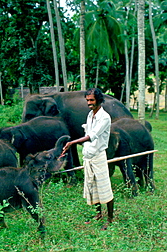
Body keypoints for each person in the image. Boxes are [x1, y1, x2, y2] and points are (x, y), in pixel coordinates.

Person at [61, 88, 114, 230]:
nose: (89, 103)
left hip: (99, 155)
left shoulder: (105, 117)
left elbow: (92, 135)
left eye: (91, 100)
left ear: (99, 100)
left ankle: (110, 218)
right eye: (87, 100)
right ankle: (98, 214)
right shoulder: (90, 115)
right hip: (88, 155)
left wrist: (72, 142)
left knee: (104, 187)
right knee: (92, 185)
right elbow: (87, 133)